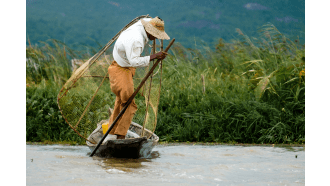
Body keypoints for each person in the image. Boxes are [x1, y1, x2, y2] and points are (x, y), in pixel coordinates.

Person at [107, 16, 170, 139]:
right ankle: (120, 136)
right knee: (129, 103)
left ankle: (111, 133)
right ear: (149, 31)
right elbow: (134, 61)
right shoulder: (136, 40)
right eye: (156, 35)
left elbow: (150, 19)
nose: (156, 38)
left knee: (121, 102)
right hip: (120, 69)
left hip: (124, 66)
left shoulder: (143, 24)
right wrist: (155, 56)